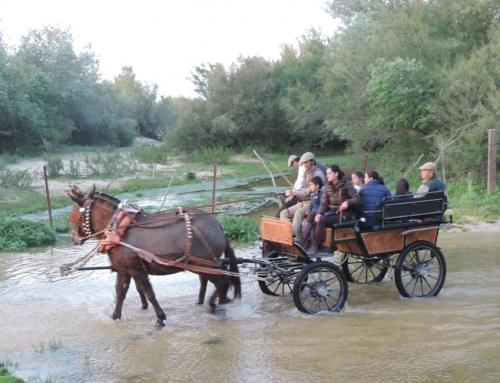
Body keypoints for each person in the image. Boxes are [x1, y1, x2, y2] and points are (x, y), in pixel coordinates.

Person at [296, 165, 360, 255]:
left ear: (336, 173)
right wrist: (319, 213)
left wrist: (347, 202)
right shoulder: (327, 186)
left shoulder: (347, 184)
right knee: (312, 214)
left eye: (329, 173)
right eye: (327, 174)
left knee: (322, 219)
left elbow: (357, 198)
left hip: (344, 214)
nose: (327, 176)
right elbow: (324, 203)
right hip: (331, 212)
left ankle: (315, 246)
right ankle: (302, 241)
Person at [280, 152, 326, 238]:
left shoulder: (318, 173)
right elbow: (302, 187)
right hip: (304, 201)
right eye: (303, 163)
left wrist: (295, 193)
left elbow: (310, 190)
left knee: (298, 213)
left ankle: (293, 237)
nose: (304, 165)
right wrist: (294, 193)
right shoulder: (306, 173)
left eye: (306, 162)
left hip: (313, 202)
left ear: (312, 161)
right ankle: (287, 234)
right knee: (284, 213)